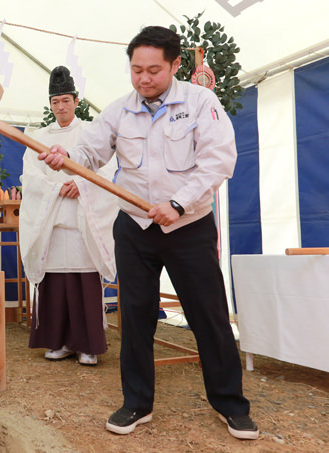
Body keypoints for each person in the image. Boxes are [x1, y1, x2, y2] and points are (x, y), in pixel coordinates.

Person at [39, 26, 258, 440]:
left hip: (188, 226)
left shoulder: (201, 102)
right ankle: (136, 403)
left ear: (176, 65)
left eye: (154, 70)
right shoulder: (119, 110)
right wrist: (66, 156)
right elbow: (90, 151)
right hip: (135, 227)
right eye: (136, 69)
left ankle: (232, 405)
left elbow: (218, 161)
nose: (143, 78)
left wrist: (177, 204)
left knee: (208, 316)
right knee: (135, 317)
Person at [20, 66, 117, 367]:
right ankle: (58, 341)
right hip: (51, 218)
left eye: (65, 100)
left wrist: (80, 183)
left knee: (83, 281)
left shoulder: (90, 132)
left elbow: (107, 169)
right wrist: (56, 187)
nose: (60, 107)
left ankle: (87, 344)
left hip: (82, 218)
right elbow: (29, 176)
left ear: (76, 101)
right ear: (50, 104)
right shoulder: (38, 136)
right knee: (55, 281)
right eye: (55, 101)